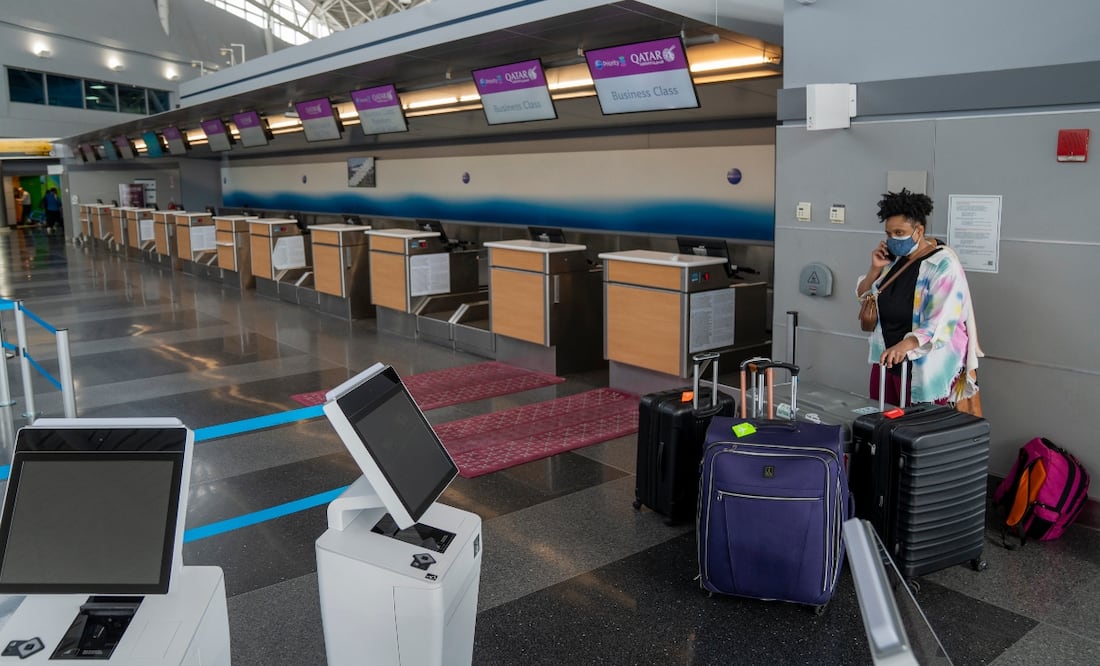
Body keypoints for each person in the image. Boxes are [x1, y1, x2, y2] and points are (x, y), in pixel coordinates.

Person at [856, 188, 982, 407]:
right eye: (889, 234)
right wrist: (874, 269)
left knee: (917, 425)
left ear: (919, 230)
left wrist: (905, 346)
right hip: (887, 359)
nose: (893, 239)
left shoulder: (943, 265)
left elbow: (941, 322)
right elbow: (865, 297)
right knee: (880, 419)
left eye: (899, 232)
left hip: (924, 365)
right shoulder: (895, 260)